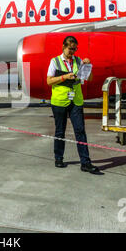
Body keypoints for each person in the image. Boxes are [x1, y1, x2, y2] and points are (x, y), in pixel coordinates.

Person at [46, 35, 100, 174]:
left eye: (75, 49)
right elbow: (49, 81)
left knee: (80, 131)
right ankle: (58, 158)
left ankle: (85, 163)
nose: (72, 52)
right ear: (63, 47)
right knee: (60, 131)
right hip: (59, 101)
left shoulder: (78, 61)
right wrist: (64, 77)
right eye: (70, 49)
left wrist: (88, 66)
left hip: (76, 101)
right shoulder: (55, 61)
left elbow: (90, 78)